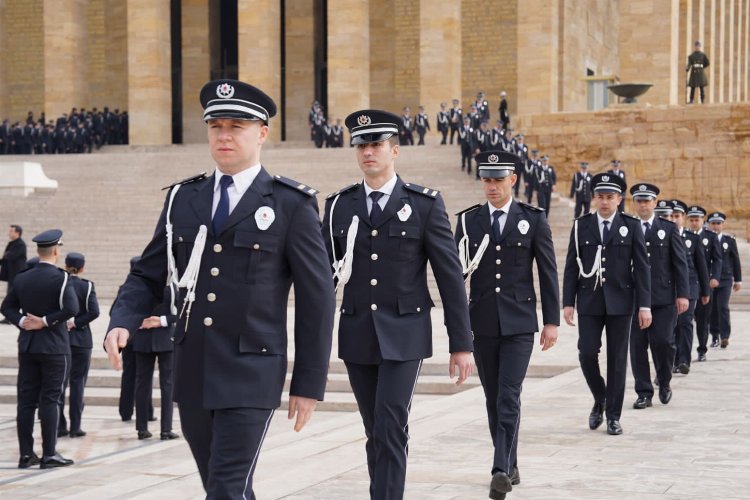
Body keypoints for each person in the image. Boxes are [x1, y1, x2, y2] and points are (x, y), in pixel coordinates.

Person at [104, 79, 335, 499]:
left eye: (237, 126)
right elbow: (147, 273)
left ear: (262, 133)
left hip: (252, 370)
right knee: (225, 485)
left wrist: (308, 382)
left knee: (225, 489)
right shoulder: (182, 198)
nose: (224, 135)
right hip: (193, 368)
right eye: (216, 126)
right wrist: (122, 320)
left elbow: (317, 298)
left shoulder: (290, 203)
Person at [323, 109, 474, 499]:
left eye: (376, 145)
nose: (368, 152)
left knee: (390, 425)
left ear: (394, 151)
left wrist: (461, 344)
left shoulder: (424, 204)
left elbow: (449, 276)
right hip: (357, 331)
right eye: (361, 145)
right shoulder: (339, 205)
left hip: (404, 333)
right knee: (375, 429)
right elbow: (321, 274)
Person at [454, 151, 559, 500]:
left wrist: (552, 321)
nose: (492, 186)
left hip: (518, 323)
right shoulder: (469, 222)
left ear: (512, 179)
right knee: (492, 398)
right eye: (487, 179)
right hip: (482, 322)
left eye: (498, 179)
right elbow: (456, 277)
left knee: (509, 394)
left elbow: (547, 272)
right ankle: (511, 463)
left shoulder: (533, 219)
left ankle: (499, 468)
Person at [562, 174, 651, 435]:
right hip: (589, 300)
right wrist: (568, 302)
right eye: (600, 197)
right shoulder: (581, 226)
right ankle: (600, 397)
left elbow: (642, 269)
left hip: (621, 302)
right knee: (587, 352)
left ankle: (613, 415)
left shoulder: (631, 225)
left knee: (617, 359)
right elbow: (571, 266)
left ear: (619, 199)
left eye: (610, 197)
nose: (604, 202)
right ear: (594, 198)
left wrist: (644, 305)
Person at [1, 229, 78, 469]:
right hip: (54, 347)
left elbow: (7, 307)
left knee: (26, 401)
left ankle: (26, 454)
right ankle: (49, 454)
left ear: (37, 251)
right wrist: (45, 320)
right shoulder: (62, 278)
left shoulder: (23, 277)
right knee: (50, 399)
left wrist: (23, 322)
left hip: (28, 346)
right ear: (56, 251)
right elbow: (72, 309)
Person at [628, 185, 689, 410]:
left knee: (664, 342)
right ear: (634, 203)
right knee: (637, 346)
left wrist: (683, 294)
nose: (643, 205)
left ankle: (664, 381)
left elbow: (680, 264)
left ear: (655, 203)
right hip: (634, 299)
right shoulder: (627, 227)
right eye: (639, 201)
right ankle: (643, 392)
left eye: (647, 201)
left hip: (663, 297)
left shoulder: (669, 228)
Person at [58, 252, 99, 438]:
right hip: (81, 340)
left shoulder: (59, 283)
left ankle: (60, 426)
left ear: (66, 265)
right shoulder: (87, 286)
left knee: (59, 383)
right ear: (82, 267)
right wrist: (76, 322)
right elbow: (94, 312)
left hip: (60, 338)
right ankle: (75, 426)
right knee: (77, 383)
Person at [133, 283, 179, 441]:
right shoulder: (172, 287)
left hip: (143, 338)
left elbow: (122, 312)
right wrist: (163, 321)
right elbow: (181, 313)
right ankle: (166, 429)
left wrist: (153, 321)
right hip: (165, 340)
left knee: (142, 384)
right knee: (167, 384)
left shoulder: (136, 287)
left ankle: (141, 428)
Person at [670, 200, 710, 374]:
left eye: (677, 216)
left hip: (690, 288)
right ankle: (673, 360)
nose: (673, 219)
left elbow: (701, 266)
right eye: (671, 216)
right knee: (671, 326)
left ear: (683, 218)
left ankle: (684, 360)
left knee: (685, 323)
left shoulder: (692, 238)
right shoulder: (660, 236)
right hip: (669, 289)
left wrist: (705, 291)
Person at [686, 205, 722, 359]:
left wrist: (714, 277)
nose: (694, 223)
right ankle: (682, 354)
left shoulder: (710, 237)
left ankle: (702, 350)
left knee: (702, 320)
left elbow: (718, 259)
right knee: (684, 321)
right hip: (687, 283)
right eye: (692, 220)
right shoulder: (682, 236)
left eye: (697, 220)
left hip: (703, 284)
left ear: (703, 220)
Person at [708, 212, 742, 349]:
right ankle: (715, 336)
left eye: (718, 223)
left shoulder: (729, 240)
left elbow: (736, 260)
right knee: (712, 309)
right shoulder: (705, 239)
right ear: (709, 224)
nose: (716, 226)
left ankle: (725, 336)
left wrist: (738, 280)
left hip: (725, 278)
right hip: (710, 279)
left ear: (723, 224)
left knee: (722, 307)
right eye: (713, 223)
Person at [1, 225, 27, 306]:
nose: (9, 233)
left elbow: (11, 256)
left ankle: (11, 315)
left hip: (17, 275)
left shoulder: (21, 244)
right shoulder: (11, 243)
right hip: (11, 275)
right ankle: (8, 316)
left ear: (17, 233)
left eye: (11, 231)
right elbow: (5, 258)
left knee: (13, 295)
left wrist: (7, 255)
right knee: (10, 295)